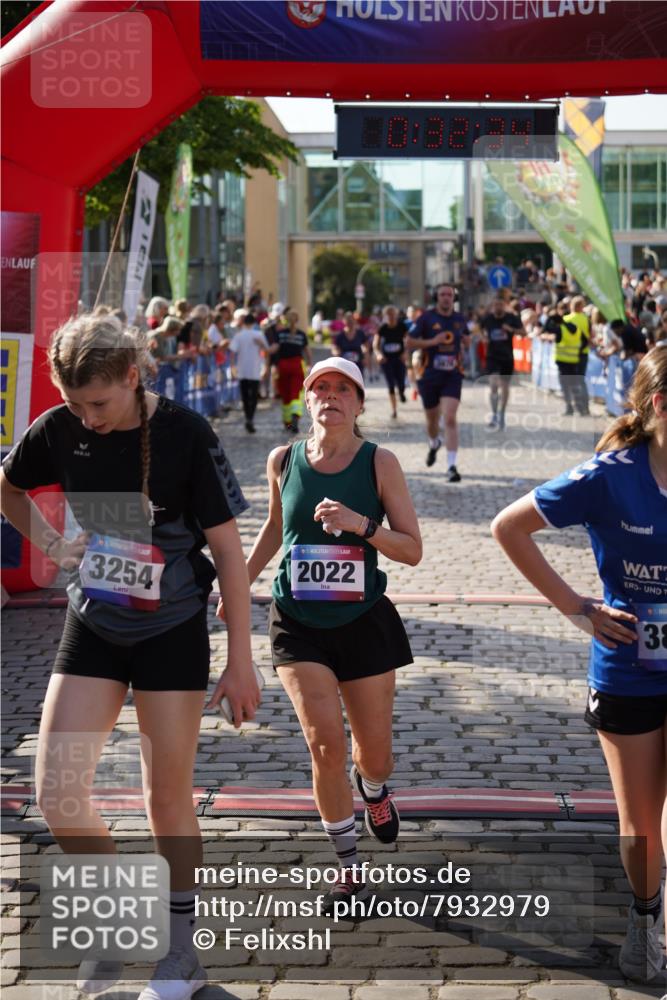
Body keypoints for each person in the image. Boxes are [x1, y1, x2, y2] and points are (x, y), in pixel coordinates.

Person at [0, 314, 260, 1000]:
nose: (86, 419)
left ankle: (180, 956)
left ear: (132, 376)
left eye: (100, 403)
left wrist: (241, 659)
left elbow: (230, 553)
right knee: (57, 794)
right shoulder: (59, 429)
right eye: (73, 403)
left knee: (165, 797)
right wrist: (55, 549)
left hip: (171, 630)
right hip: (94, 622)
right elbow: (9, 485)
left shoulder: (184, 433)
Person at [491, 348, 667, 988]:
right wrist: (576, 608)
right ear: (658, 407)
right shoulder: (608, 475)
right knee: (641, 824)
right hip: (627, 665)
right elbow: (508, 527)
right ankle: (645, 920)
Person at [231, 356, 421, 911]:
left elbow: (412, 549)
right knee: (323, 743)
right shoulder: (282, 460)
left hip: (363, 622)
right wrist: (239, 585)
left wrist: (361, 525)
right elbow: (275, 528)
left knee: (373, 753)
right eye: (321, 388)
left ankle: (376, 790)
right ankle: (348, 864)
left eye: (344, 389)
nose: (331, 396)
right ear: (307, 401)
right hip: (297, 623)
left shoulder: (379, 463)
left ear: (360, 405)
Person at [405, 283, 469, 478]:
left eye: (450, 295)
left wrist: (466, 342)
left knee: (450, 418)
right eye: (442, 294)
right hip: (429, 375)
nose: (446, 298)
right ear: (436, 297)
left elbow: (466, 338)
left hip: (452, 374)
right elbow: (408, 341)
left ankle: (451, 466)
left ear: (453, 298)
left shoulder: (459, 318)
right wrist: (433, 342)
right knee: (432, 420)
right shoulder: (426, 317)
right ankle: (434, 443)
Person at [481, 296, 524, 431]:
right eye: (496, 305)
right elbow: (479, 329)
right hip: (492, 356)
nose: (498, 307)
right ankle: (494, 414)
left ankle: (502, 413)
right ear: (493, 306)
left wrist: (511, 330)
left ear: (504, 305)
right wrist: (484, 337)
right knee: (493, 385)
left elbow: (524, 332)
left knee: (505, 387)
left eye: (500, 304)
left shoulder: (511, 318)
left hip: (507, 357)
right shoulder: (488, 318)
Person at [229, 312, 270, 433]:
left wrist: (232, 367)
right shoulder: (259, 334)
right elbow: (266, 350)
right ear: (254, 323)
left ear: (244, 323)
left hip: (242, 370)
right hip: (255, 370)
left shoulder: (239, 335)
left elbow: (232, 352)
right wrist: (266, 367)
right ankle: (251, 417)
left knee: (245, 396)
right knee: (254, 396)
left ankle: (248, 417)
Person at [275, 309, 312, 434]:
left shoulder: (280, 334)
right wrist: (309, 364)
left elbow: (274, 349)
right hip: (297, 365)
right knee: (296, 393)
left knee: (285, 394)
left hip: (283, 365)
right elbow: (307, 351)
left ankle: (288, 423)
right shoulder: (301, 335)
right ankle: (295, 417)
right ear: (297, 320)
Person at [373, 305, 408, 419]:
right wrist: (378, 354)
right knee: (390, 385)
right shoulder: (382, 328)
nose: (391, 317)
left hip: (399, 358)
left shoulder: (402, 326)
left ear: (397, 315)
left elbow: (408, 341)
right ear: (385, 316)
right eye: (388, 315)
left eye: (393, 314)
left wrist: (406, 353)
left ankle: (402, 392)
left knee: (401, 382)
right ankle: (394, 410)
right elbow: (375, 344)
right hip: (387, 360)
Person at [332, 311, 367, 377]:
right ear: (344, 321)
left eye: (351, 320)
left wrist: (365, 356)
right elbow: (335, 347)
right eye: (348, 321)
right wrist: (336, 354)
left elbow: (365, 345)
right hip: (344, 365)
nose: (350, 322)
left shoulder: (360, 333)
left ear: (354, 321)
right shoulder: (340, 335)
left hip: (358, 364)